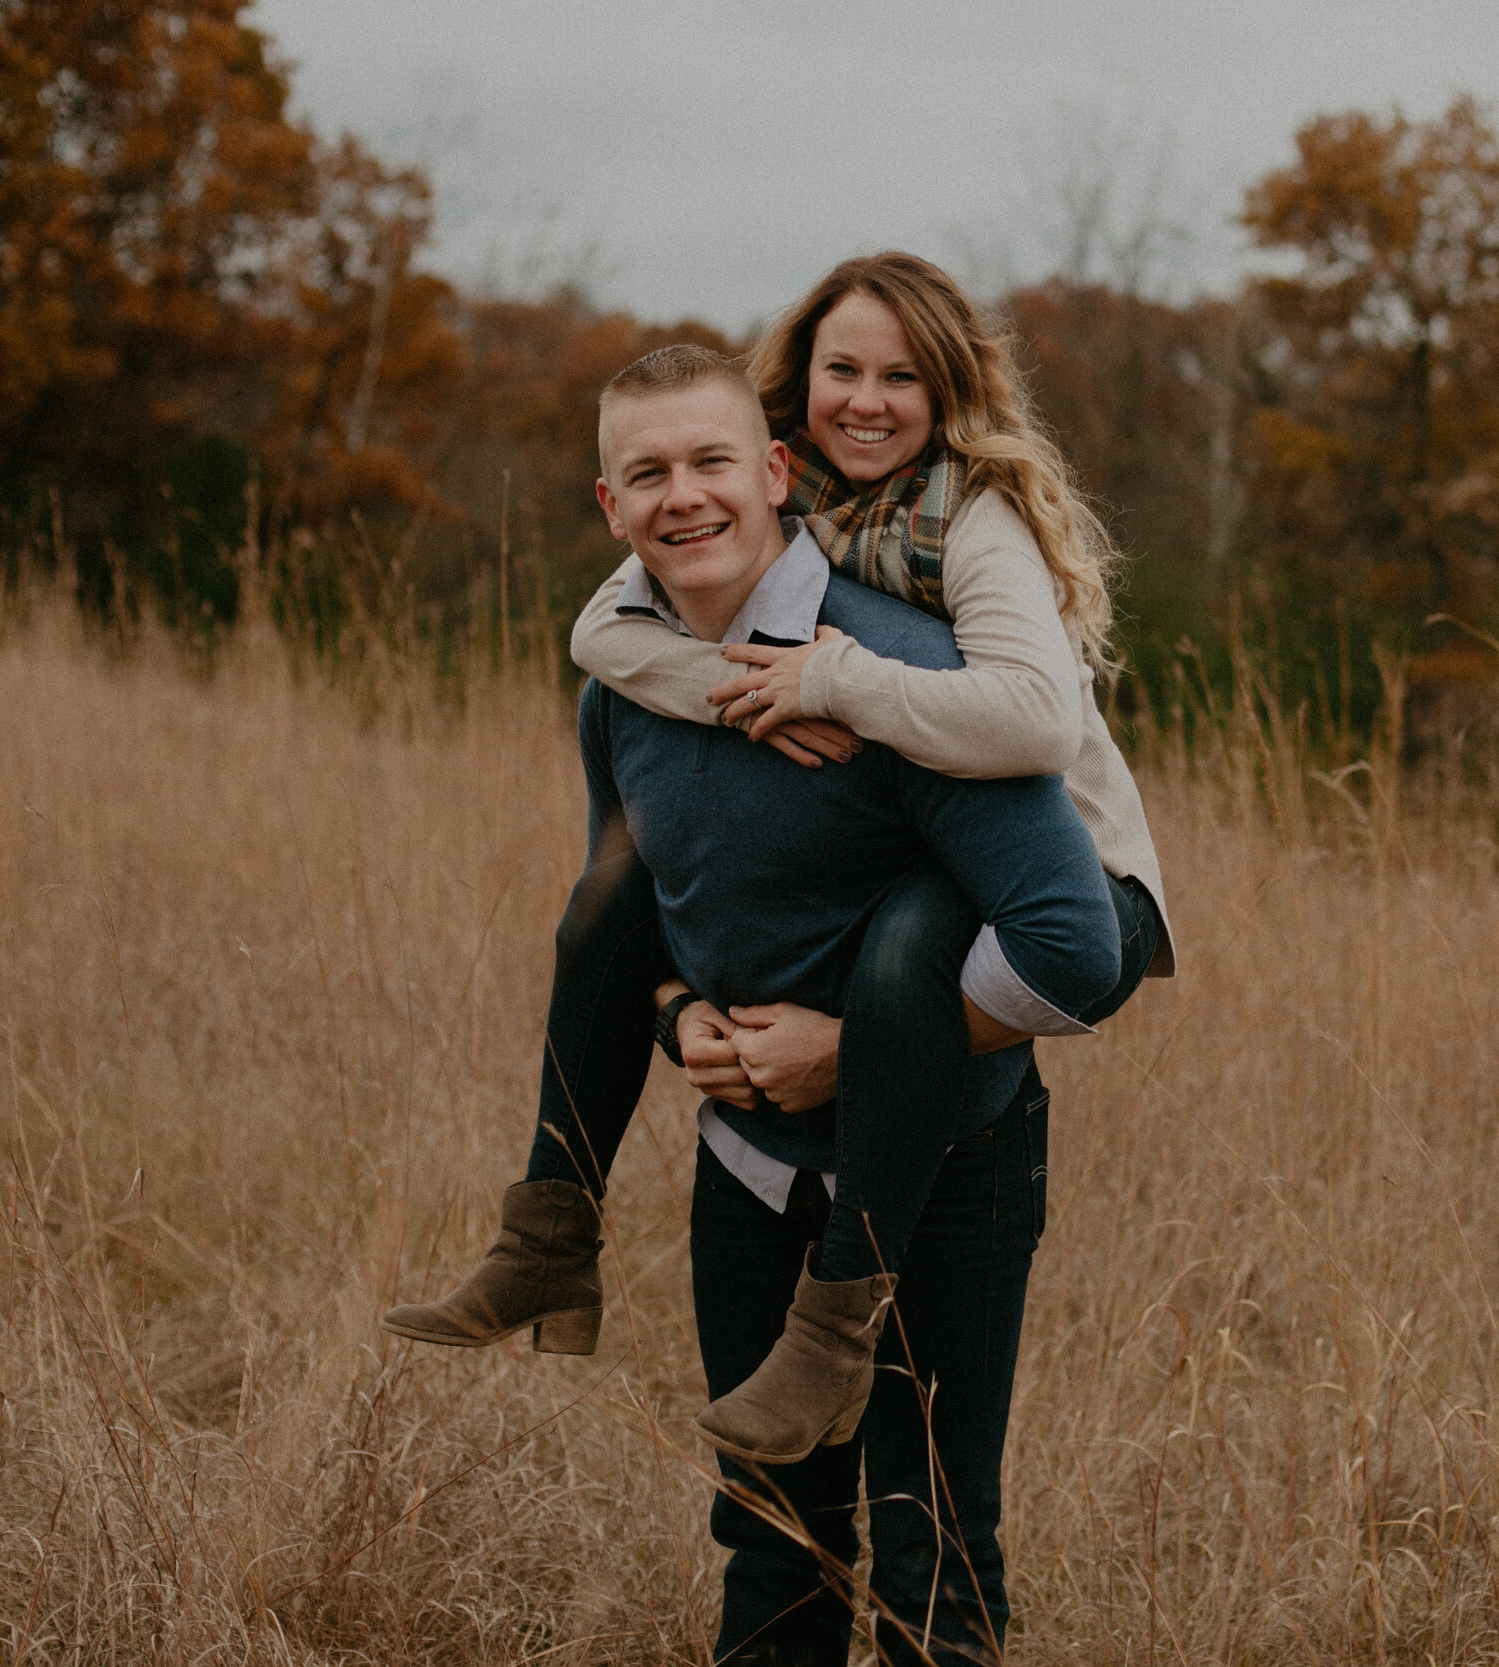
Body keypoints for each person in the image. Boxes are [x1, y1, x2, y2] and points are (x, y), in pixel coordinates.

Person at [383, 253, 1173, 1443]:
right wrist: (726, 693)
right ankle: (547, 1229)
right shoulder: (763, 502)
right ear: (792, 400)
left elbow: (1034, 727)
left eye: (901, 376)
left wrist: (838, 682)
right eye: (839, 369)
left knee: (911, 937)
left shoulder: (974, 517)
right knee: (602, 905)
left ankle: (838, 1312)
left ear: (945, 390)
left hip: (1083, 871)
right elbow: (604, 634)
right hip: (771, 1122)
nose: (866, 398)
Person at [556, 344, 1117, 1661]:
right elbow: (637, 909)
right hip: (748, 1169)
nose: (684, 496)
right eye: (651, 472)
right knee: (770, 1535)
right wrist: (674, 1013)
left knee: (934, 1550)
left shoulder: (916, 657)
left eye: (712, 462)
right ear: (611, 502)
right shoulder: (627, 678)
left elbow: (1070, 940)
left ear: (775, 471)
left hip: (952, 1162)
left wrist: (859, 1052)